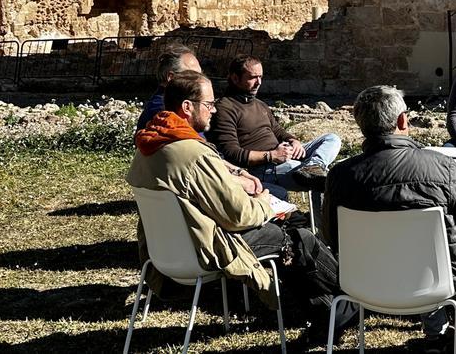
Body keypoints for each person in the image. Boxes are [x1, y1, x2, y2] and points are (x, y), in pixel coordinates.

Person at [126, 70, 357, 332]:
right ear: (188, 107)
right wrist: (263, 200)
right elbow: (238, 216)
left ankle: (328, 315)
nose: (213, 110)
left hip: (169, 250)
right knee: (298, 238)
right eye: (209, 104)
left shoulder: (150, 145)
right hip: (206, 247)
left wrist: (235, 175)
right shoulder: (191, 153)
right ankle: (351, 295)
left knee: (292, 233)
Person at [323, 85, 456, 353]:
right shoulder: (440, 166)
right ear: (402, 120)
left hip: (363, 283)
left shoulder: (340, 176)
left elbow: (331, 237)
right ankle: (439, 335)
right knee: (436, 253)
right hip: (435, 282)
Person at [210, 56, 341, 197]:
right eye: (253, 78)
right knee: (325, 180)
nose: (258, 83)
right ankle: (311, 174)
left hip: (284, 154)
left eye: (261, 77)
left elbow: (278, 130)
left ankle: (312, 166)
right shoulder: (225, 108)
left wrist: (294, 141)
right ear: (235, 78)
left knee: (332, 139)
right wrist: (272, 156)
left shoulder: (260, 104)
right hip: (265, 168)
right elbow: (232, 153)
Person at [135, 44, 201, 132]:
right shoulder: (164, 109)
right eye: (192, 75)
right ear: (171, 78)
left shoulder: (174, 103)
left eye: (200, 75)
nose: (200, 81)